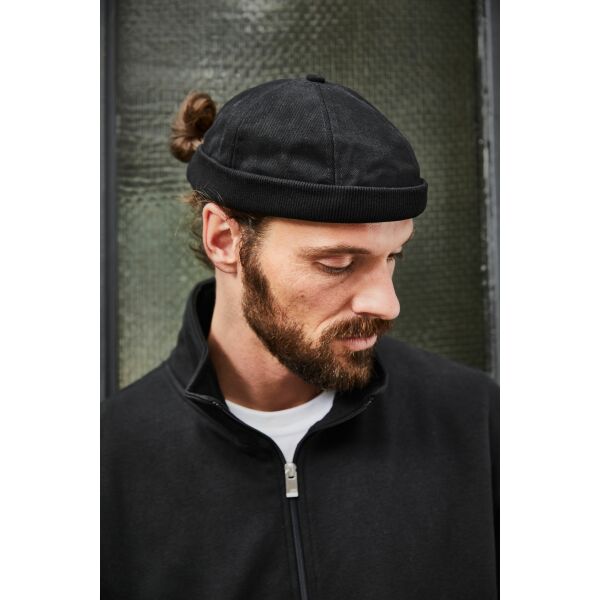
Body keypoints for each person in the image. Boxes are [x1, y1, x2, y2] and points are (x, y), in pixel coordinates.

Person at [101, 74, 499, 600]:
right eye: (337, 263)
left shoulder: (478, 422)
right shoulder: (106, 465)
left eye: (392, 257)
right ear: (224, 240)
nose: (387, 304)